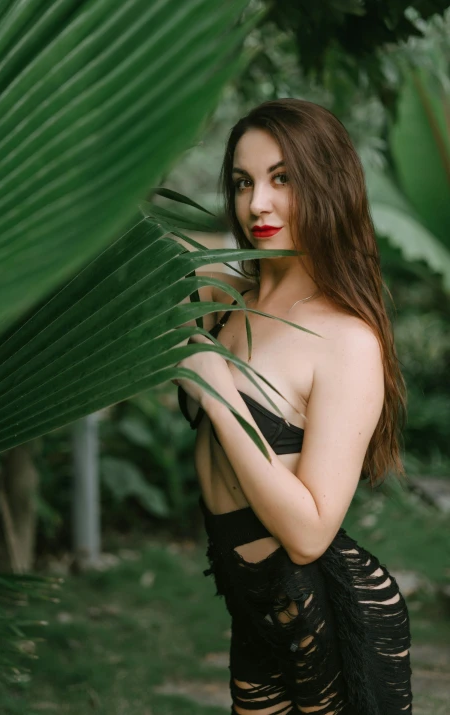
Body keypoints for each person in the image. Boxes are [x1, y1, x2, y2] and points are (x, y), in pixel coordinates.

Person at [174, 98, 412, 714]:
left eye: (284, 178)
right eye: (243, 182)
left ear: (327, 185)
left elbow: (308, 534)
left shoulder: (345, 339)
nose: (258, 204)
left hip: (328, 620)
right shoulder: (226, 297)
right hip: (255, 614)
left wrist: (219, 389)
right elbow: (147, 248)